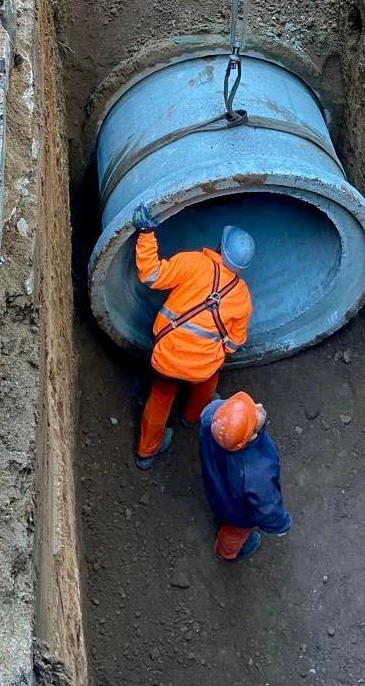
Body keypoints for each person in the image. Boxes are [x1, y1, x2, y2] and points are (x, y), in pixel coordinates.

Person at [131, 203, 254, 470]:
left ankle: (146, 453)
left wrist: (146, 233)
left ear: (220, 248)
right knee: (211, 376)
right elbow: (233, 344)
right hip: (202, 368)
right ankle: (193, 416)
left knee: (161, 397)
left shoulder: (193, 263)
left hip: (167, 359)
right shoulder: (242, 296)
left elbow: (151, 275)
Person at [198, 391, 291, 560]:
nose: (259, 406)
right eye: (255, 416)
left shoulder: (211, 415)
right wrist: (280, 524)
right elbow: (266, 505)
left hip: (215, 486)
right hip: (237, 511)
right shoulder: (257, 471)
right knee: (235, 532)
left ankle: (221, 525)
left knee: (222, 509)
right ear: (249, 438)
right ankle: (225, 553)